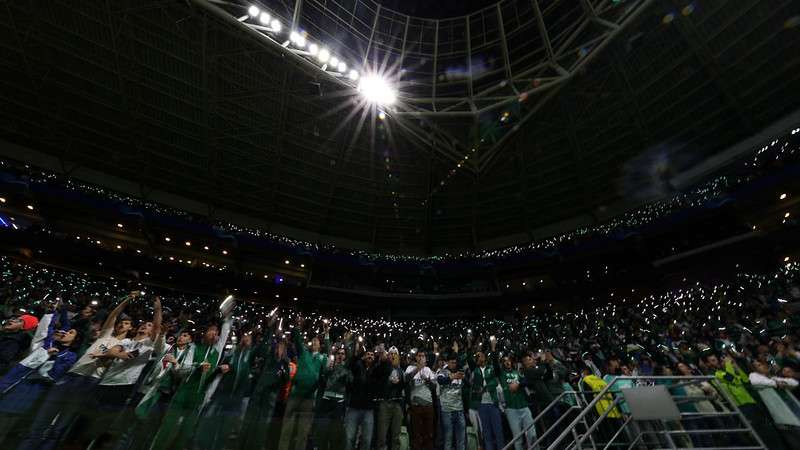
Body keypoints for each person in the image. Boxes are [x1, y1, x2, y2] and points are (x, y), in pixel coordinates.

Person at [17, 293, 135, 450]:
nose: (122, 324)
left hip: (89, 381)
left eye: (126, 323)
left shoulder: (128, 344)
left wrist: (105, 355)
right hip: (71, 376)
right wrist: (126, 299)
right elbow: (114, 314)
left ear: (131, 328)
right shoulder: (106, 334)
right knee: (41, 420)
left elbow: (119, 356)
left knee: (59, 428)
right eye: (121, 322)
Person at [0, 303, 81, 445]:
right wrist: (55, 311)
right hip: (8, 387)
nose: (64, 332)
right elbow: (46, 329)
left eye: (70, 333)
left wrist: (49, 357)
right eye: (62, 331)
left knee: (5, 430)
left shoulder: (69, 356)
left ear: (75, 340)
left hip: (26, 398)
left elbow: (52, 375)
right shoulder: (46, 344)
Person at [90, 296, 162, 448]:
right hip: (105, 381)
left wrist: (157, 309)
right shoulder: (126, 341)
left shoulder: (149, 343)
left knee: (108, 422)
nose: (144, 326)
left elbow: (157, 326)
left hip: (124, 385)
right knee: (91, 419)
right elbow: (113, 351)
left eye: (148, 325)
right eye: (143, 324)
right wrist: (121, 354)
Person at [148, 321, 226, 450]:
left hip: (198, 397)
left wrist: (218, 370)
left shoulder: (216, 353)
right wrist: (197, 366)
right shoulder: (193, 348)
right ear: (205, 333)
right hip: (183, 393)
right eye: (211, 330)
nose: (214, 334)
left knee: (186, 432)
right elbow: (181, 369)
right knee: (167, 428)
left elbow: (210, 376)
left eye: (217, 332)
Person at [277, 315, 326, 450]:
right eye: (313, 341)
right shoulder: (304, 353)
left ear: (320, 346)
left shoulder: (323, 358)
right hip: (295, 395)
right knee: (286, 430)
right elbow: (297, 340)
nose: (315, 342)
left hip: (309, 399)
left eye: (317, 341)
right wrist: (298, 326)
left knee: (303, 433)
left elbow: (327, 363)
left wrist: (326, 335)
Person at [239, 322, 289, 450]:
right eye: (278, 347)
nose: (280, 349)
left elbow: (286, 380)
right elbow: (263, 346)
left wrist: (282, 372)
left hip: (269, 401)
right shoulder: (268, 359)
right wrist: (271, 329)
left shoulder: (284, 364)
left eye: (282, 348)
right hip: (257, 397)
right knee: (248, 425)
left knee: (262, 429)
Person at [748, 360, 800, 448]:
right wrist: (776, 384)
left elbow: (795, 383)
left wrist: (782, 382)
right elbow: (755, 382)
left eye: (763, 364)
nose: (763, 366)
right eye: (759, 365)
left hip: (794, 413)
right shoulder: (754, 376)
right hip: (783, 420)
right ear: (755, 369)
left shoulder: (773, 378)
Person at [315, 332, 353, 450]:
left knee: (335, 432)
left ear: (345, 356)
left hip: (338, 402)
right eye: (338, 354)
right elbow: (328, 350)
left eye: (343, 354)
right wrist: (326, 334)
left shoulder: (347, 369)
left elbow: (350, 381)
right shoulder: (329, 366)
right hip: (326, 401)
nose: (340, 355)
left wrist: (346, 342)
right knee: (323, 431)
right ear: (335, 355)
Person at [494, 349, 537, 450]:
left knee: (532, 435)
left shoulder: (517, 372)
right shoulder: (501, 374)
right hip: (511, 409)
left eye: (509, 360)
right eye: (505, 361)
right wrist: (493, 348)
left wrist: (519, 384)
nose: (507, 362)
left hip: (524, 406)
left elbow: (528, 380)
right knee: (518, 439)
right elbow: (495, 364)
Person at [467, 338, 504, 450]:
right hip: (481, 405)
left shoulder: (491, 368)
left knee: (498, 431)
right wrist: (469, 345)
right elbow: (469, 359)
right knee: (486, 433)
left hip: (493, 403)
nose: (480, 356)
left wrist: (493, 349)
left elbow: (497, 365)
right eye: (478, 356)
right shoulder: (475, 369)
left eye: (481, 355)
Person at [406, 350, 438, 450]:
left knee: (429, 434)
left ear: (425, 358)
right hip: (416, 406)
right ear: (416, 358)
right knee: (416, 434)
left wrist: (428, 380)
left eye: (423, 356)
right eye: (419, 356)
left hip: (428, 406)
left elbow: (433, 387)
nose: (421, 357)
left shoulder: (428, 369)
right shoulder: (410, 368)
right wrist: (417, 369)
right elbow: (406, 379)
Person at [375, 346, 406, 450]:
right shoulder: (383, 367)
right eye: (391, 354)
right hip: (385, 403)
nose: (393, 356)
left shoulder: (401, 370)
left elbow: (403, 387)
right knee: (382, 435)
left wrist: (399, 383)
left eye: (395, 354)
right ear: (388, 356)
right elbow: (377, 375)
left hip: (397, 404)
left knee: (396, 435)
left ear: (398, 356)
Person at [437, 351, 467, 450]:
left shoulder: (460, 371)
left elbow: (468, 384)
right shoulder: (442, 371)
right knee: (448, 438)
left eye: (455, 362)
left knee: (461, 439)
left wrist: (464, 378)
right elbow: (440, 381)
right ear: (447, 362)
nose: (453, 364)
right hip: (447, 410)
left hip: (459, 409)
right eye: (451, 362)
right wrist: (453, 376)